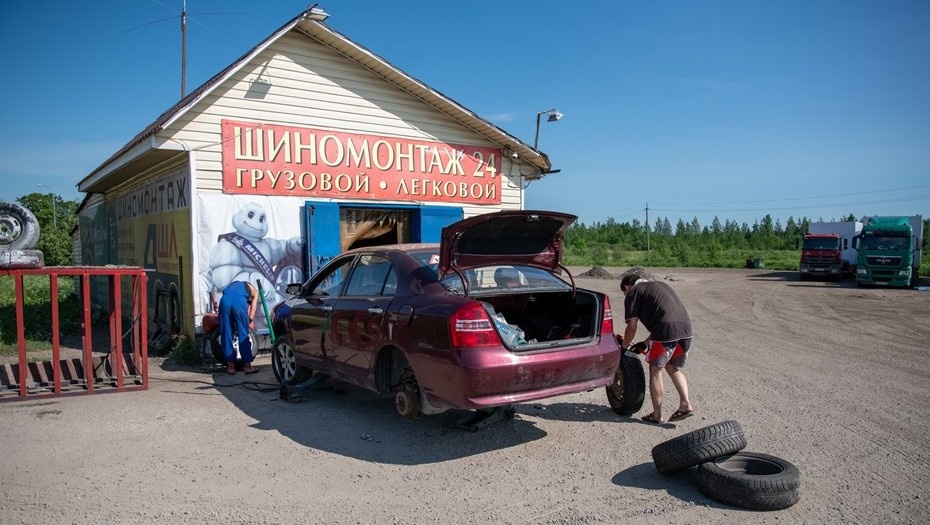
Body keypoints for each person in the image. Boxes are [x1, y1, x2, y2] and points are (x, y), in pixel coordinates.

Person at [619, 274, 694, 424]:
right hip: (686, 330)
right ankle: (685, 404)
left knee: (655, 369)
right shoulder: (660, 286)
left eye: (624, 292)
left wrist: (623, 348)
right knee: (672, 366)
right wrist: (646, 342)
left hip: (665, 331)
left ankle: (657, 415)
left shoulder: (633, 293)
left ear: (627, 287)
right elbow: (665, 314)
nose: (626, 295)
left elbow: (632, 327)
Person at [218, 280, 260, 375]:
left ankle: (231, 367)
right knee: (243, 335)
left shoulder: (232, 286)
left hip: (224, 303)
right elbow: (252, 314)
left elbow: (227, 296)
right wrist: (246, 323)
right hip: (239, 305)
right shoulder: (255, 291)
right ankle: (248, 367)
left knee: (226, 334)